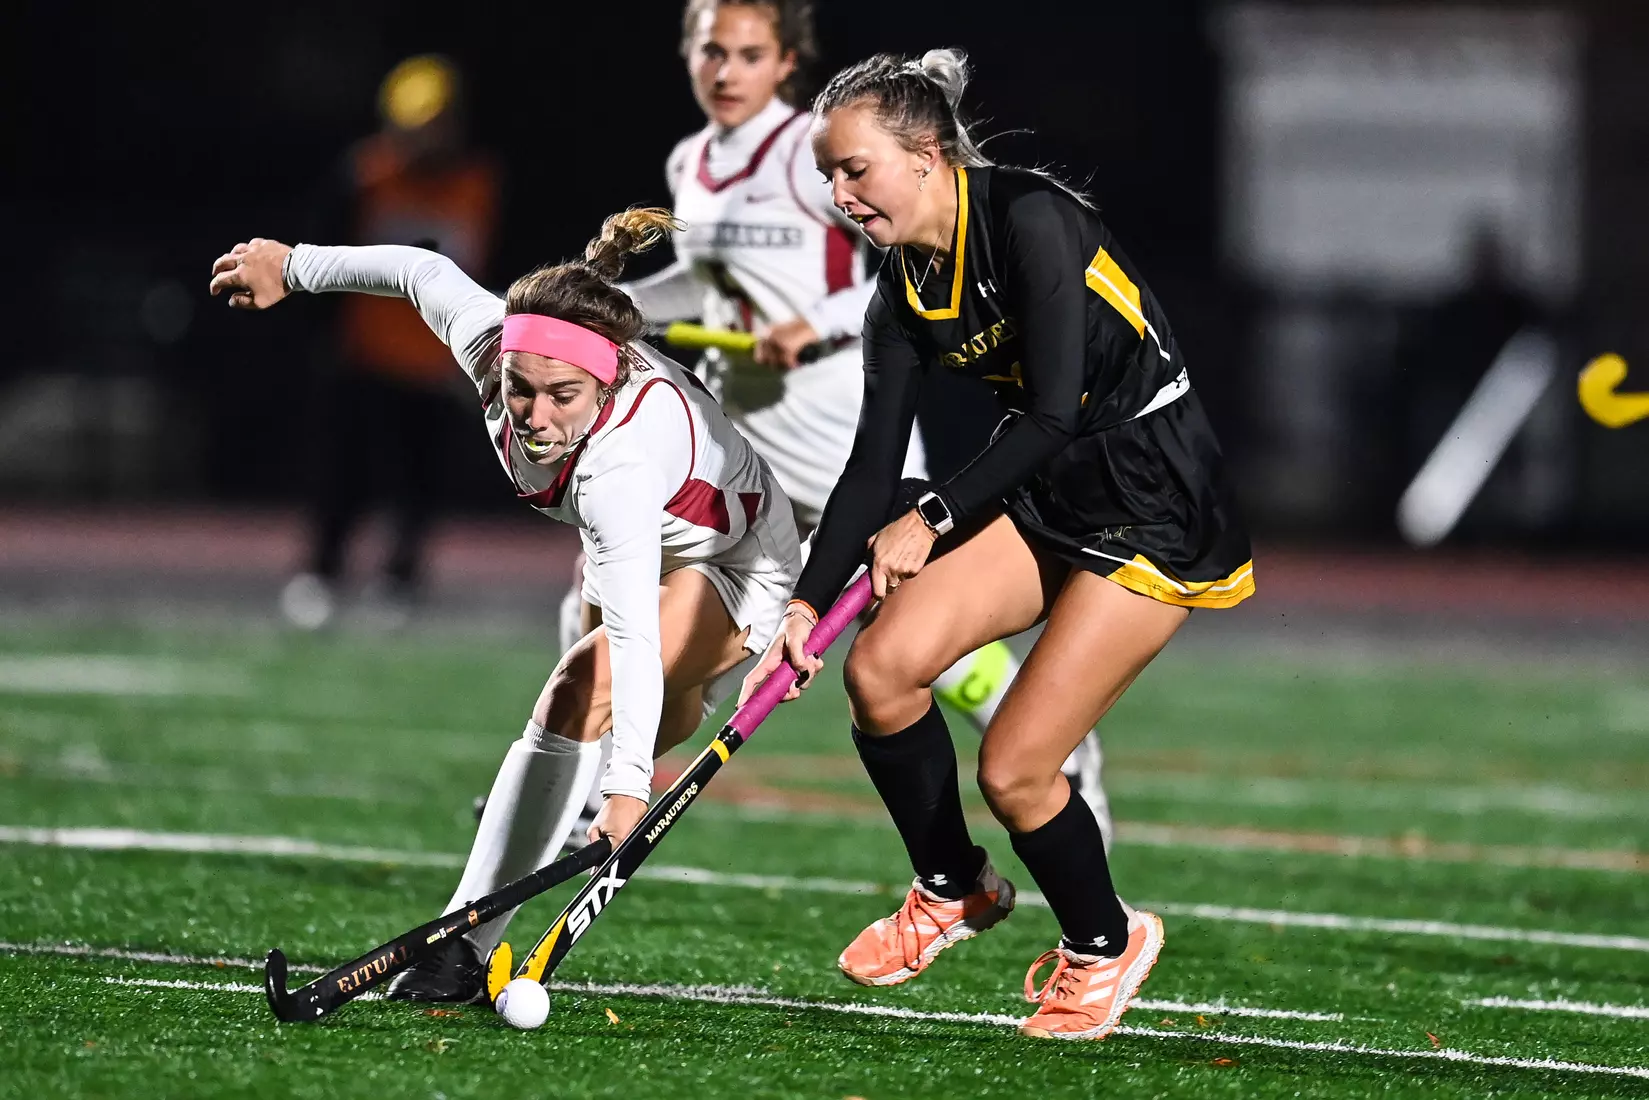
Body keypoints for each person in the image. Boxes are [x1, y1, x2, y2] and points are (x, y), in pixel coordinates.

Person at [744, 51, 1254, 1041]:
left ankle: (1104, 944)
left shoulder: (1030, 219)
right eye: (829, 175)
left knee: (1015, 768)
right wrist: (801, 607)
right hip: (1048, 491)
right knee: (879, 669)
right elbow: (868, 468)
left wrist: (931, 517)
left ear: (925, 154)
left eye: (854, 169)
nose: (839, 195)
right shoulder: (900, 291)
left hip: (1152, 502)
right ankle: (952, 885)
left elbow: (1056, 410)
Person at [547, 0, 1110, 850]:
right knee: (602, 582)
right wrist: (608, 308)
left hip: (838, 422)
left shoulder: (820, 150)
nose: (725, 71)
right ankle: (578, 794)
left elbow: (893, 273)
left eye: (748, 54)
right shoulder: (693, 162)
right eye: (710, 52)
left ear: (785, 63)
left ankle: (1057, 745)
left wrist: (816, 323)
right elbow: (709, 287)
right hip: (741, 432)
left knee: (908, 633)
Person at [209, 210, 802, 1003]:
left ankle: (462, 944)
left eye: (563, 395)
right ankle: (610, 767)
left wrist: (628, 789)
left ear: (610, 381)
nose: (535, 417)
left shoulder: (622, 465)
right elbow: (419, 273)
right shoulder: (495, 347)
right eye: (521, 389)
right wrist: (293, 266)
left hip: (736, 560)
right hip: (643, 542)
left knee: (580, 695)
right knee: (647, 713)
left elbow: (632, 637)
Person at [281, 54, 502, 631]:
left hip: (437, 359)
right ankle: (321, 573)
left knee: (421, 479)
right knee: (342, 473)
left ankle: (399, 580)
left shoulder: (478, 182)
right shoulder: (365, 176)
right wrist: (324, 339)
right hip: (364, 353)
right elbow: (322, 258)